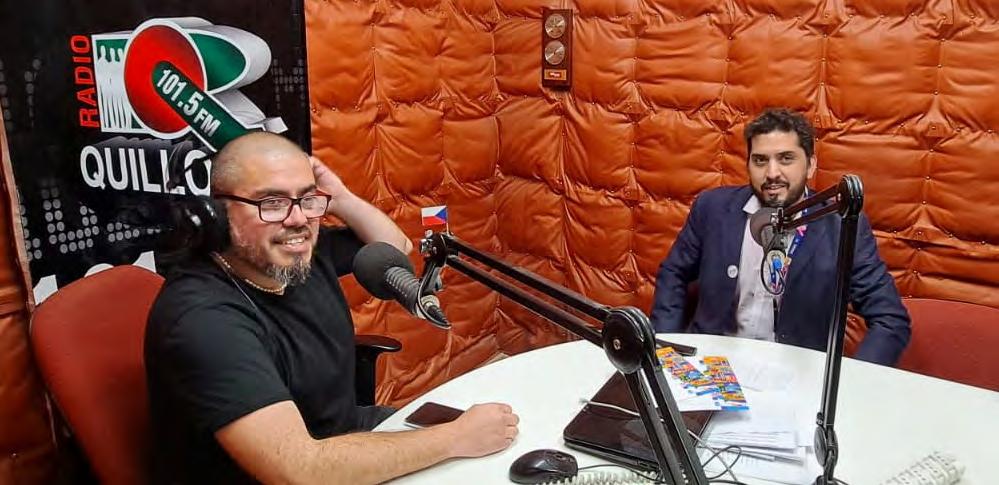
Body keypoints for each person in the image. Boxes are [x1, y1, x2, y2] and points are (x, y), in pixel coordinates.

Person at [145, 132, 519, 484]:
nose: (297, 220)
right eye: (272, 203)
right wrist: (455, 437)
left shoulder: (295, 253)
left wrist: (340, 198)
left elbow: (394, 247)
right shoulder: (203, 321)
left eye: (307, 199)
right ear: (217, 214)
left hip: (345, 434)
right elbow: (298, 470)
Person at [649, 108, 911, 366]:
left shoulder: (842, 226)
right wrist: (666, 349)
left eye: (786, 159)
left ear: (811, 165)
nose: (772, 173)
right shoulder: (713, 209)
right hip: (712, 366)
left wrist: (848, 385)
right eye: (760, 160)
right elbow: (673, 272)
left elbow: (890, 320)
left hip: (795, 377)